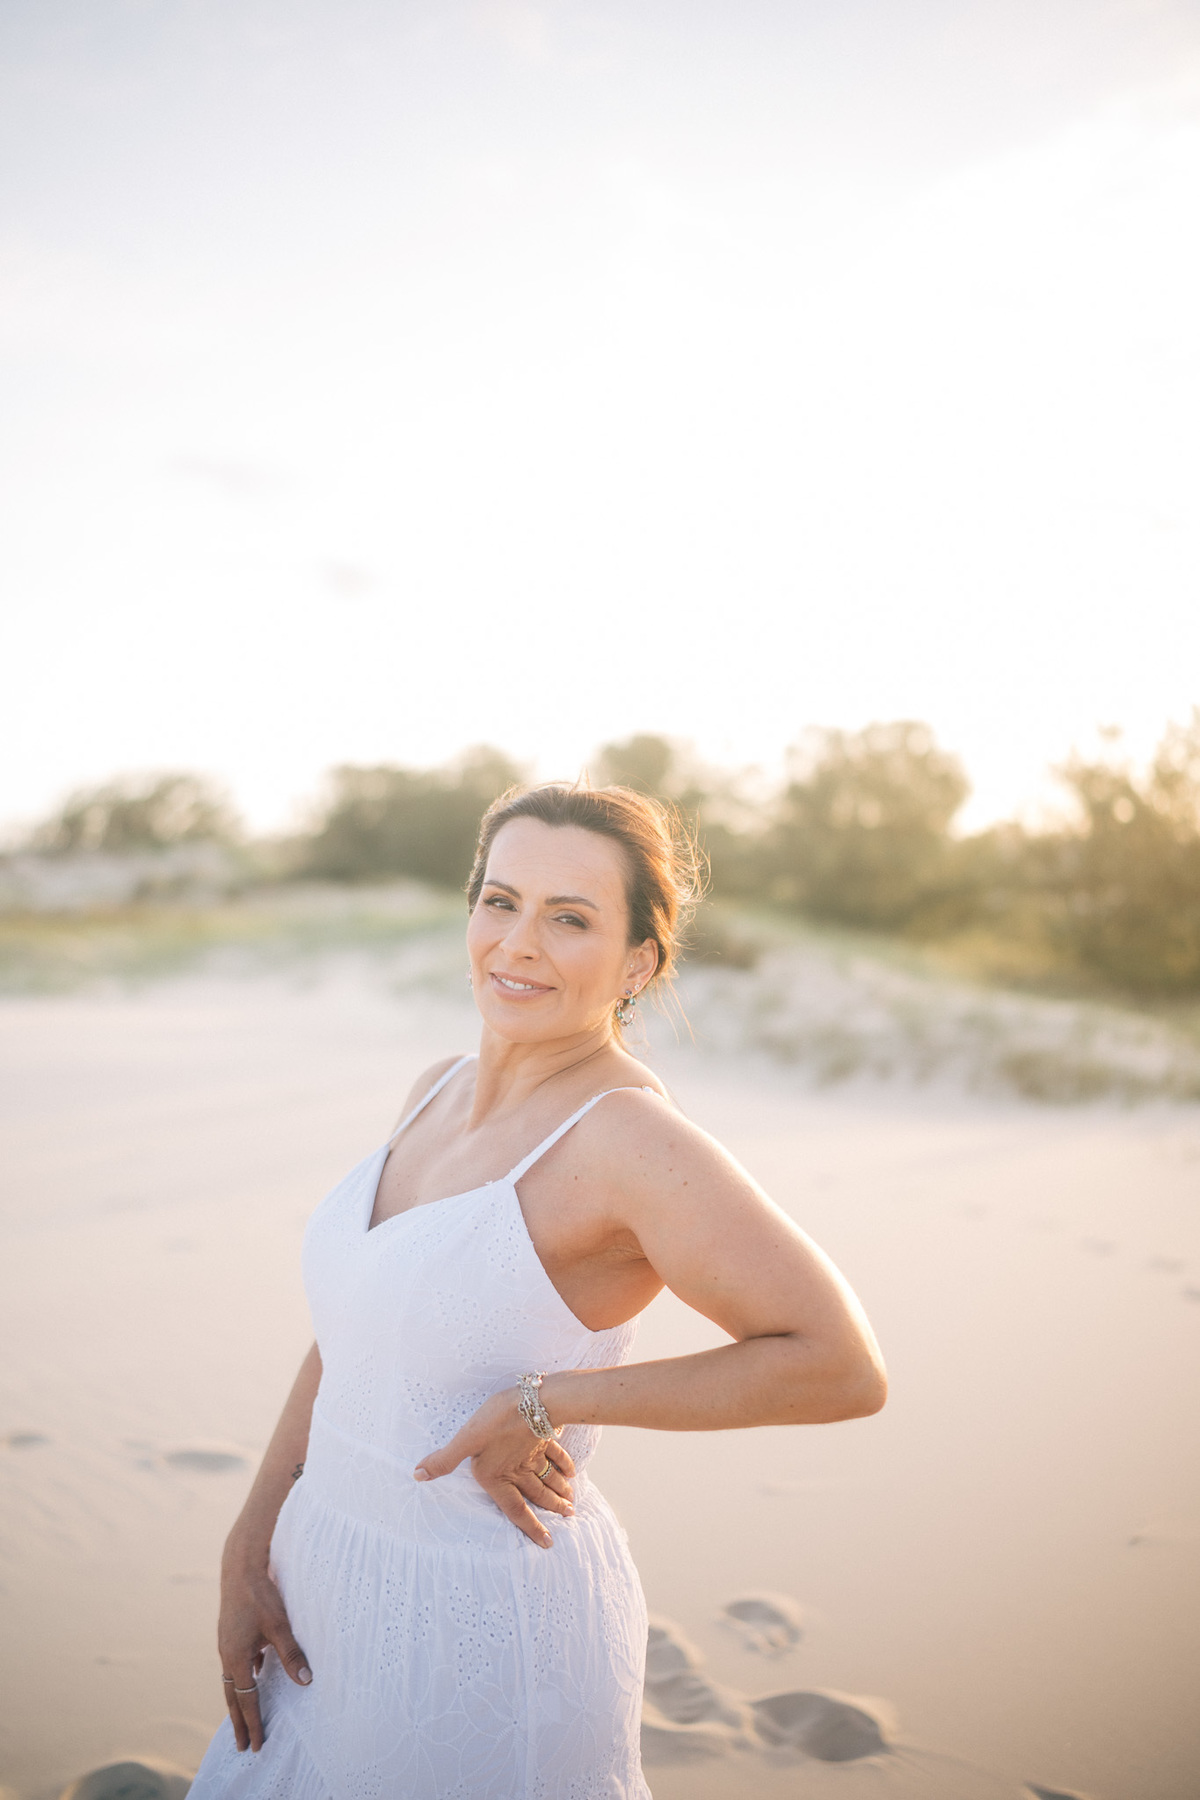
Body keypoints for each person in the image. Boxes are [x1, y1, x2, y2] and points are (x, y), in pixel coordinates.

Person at [188, 781, 887, 1799]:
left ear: (639, 961)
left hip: (477, 1622)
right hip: (324, 1583)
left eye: (570, 920)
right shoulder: (429, 1088)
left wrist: (551, 1401)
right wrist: (250, 1540)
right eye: (500, 901)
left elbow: (839, 1367)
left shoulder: (628, 1143)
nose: (518, 944)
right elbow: (353, 1328)